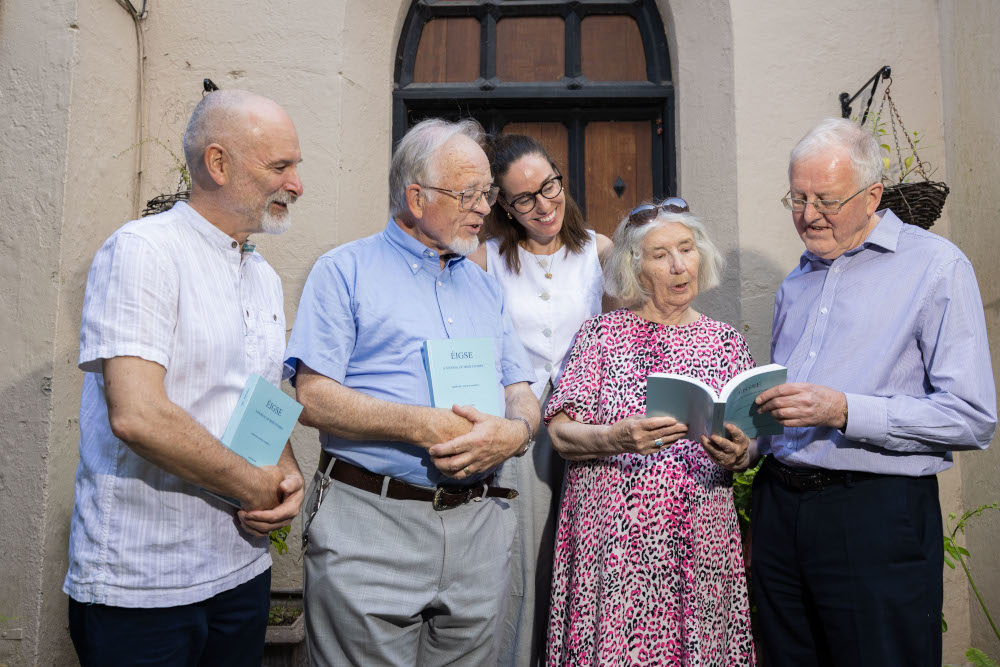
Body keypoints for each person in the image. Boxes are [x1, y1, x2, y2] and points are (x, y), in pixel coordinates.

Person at [286, 117, 541, 666]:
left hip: (479, 527)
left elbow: (520, 391)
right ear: (416, 196)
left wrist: (515, 432)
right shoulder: (343, 271)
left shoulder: (484, 286)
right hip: (371, 525)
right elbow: (311, 397)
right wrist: (424, 425)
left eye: (487, 192)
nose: (483, 206)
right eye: (467, 192)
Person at [64, 89, 306, 666]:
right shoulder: (143, 252)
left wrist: (287, 471)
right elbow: (138, 415)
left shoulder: (263, 276)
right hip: (143, 584)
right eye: (280, 166)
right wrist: (252, 485)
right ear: (218, 164)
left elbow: (257, 396)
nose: (297, 184)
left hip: (241, 570)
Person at [751, 117, 997, 667]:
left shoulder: (936, 267)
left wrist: (844, 410)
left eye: (827, 200)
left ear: (873, 195)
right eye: (797, 197)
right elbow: (789, 408)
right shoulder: (797, 281)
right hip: (779, 513)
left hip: (874, 517)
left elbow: (972, 418)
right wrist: (746, 442)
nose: (809, 215)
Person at [544, 199, 757, 666]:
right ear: (634, 268)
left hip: (700, 540)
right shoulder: (601, 336)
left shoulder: (727, 342)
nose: (680, 265)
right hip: (614, 544)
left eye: (687, 249)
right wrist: (614, 438)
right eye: (661, 255)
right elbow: (560, 435)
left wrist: (741, 452)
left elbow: (752, 441)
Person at [466, 133, 611, 667]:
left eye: (549, 187)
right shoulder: (488, 259)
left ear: (559, 177)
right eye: (524, 199)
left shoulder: (600, 250)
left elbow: (623, 340)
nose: (544, 205)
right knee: (523, 557)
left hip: (588, 421)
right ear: (503, 204)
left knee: (584, 556)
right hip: (521, 422)